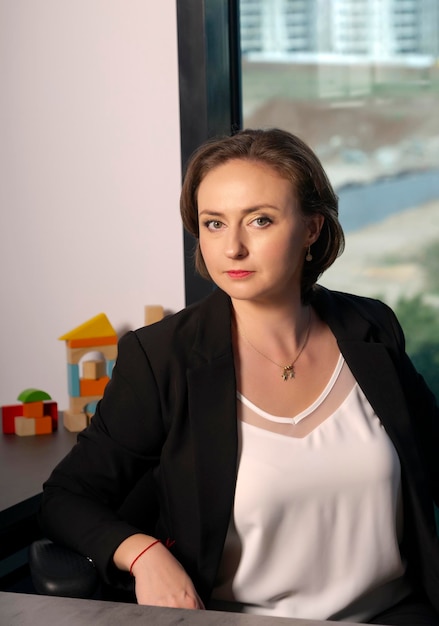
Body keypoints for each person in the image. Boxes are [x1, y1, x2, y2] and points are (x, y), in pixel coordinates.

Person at [40, 128, 439, 624]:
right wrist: (142, 553)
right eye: (213, 224)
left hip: (395, 616)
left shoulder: (370, 328)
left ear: (312, 228)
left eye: (260, 220)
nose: (232, 248)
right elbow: (66, 497)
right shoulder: (160, 356)